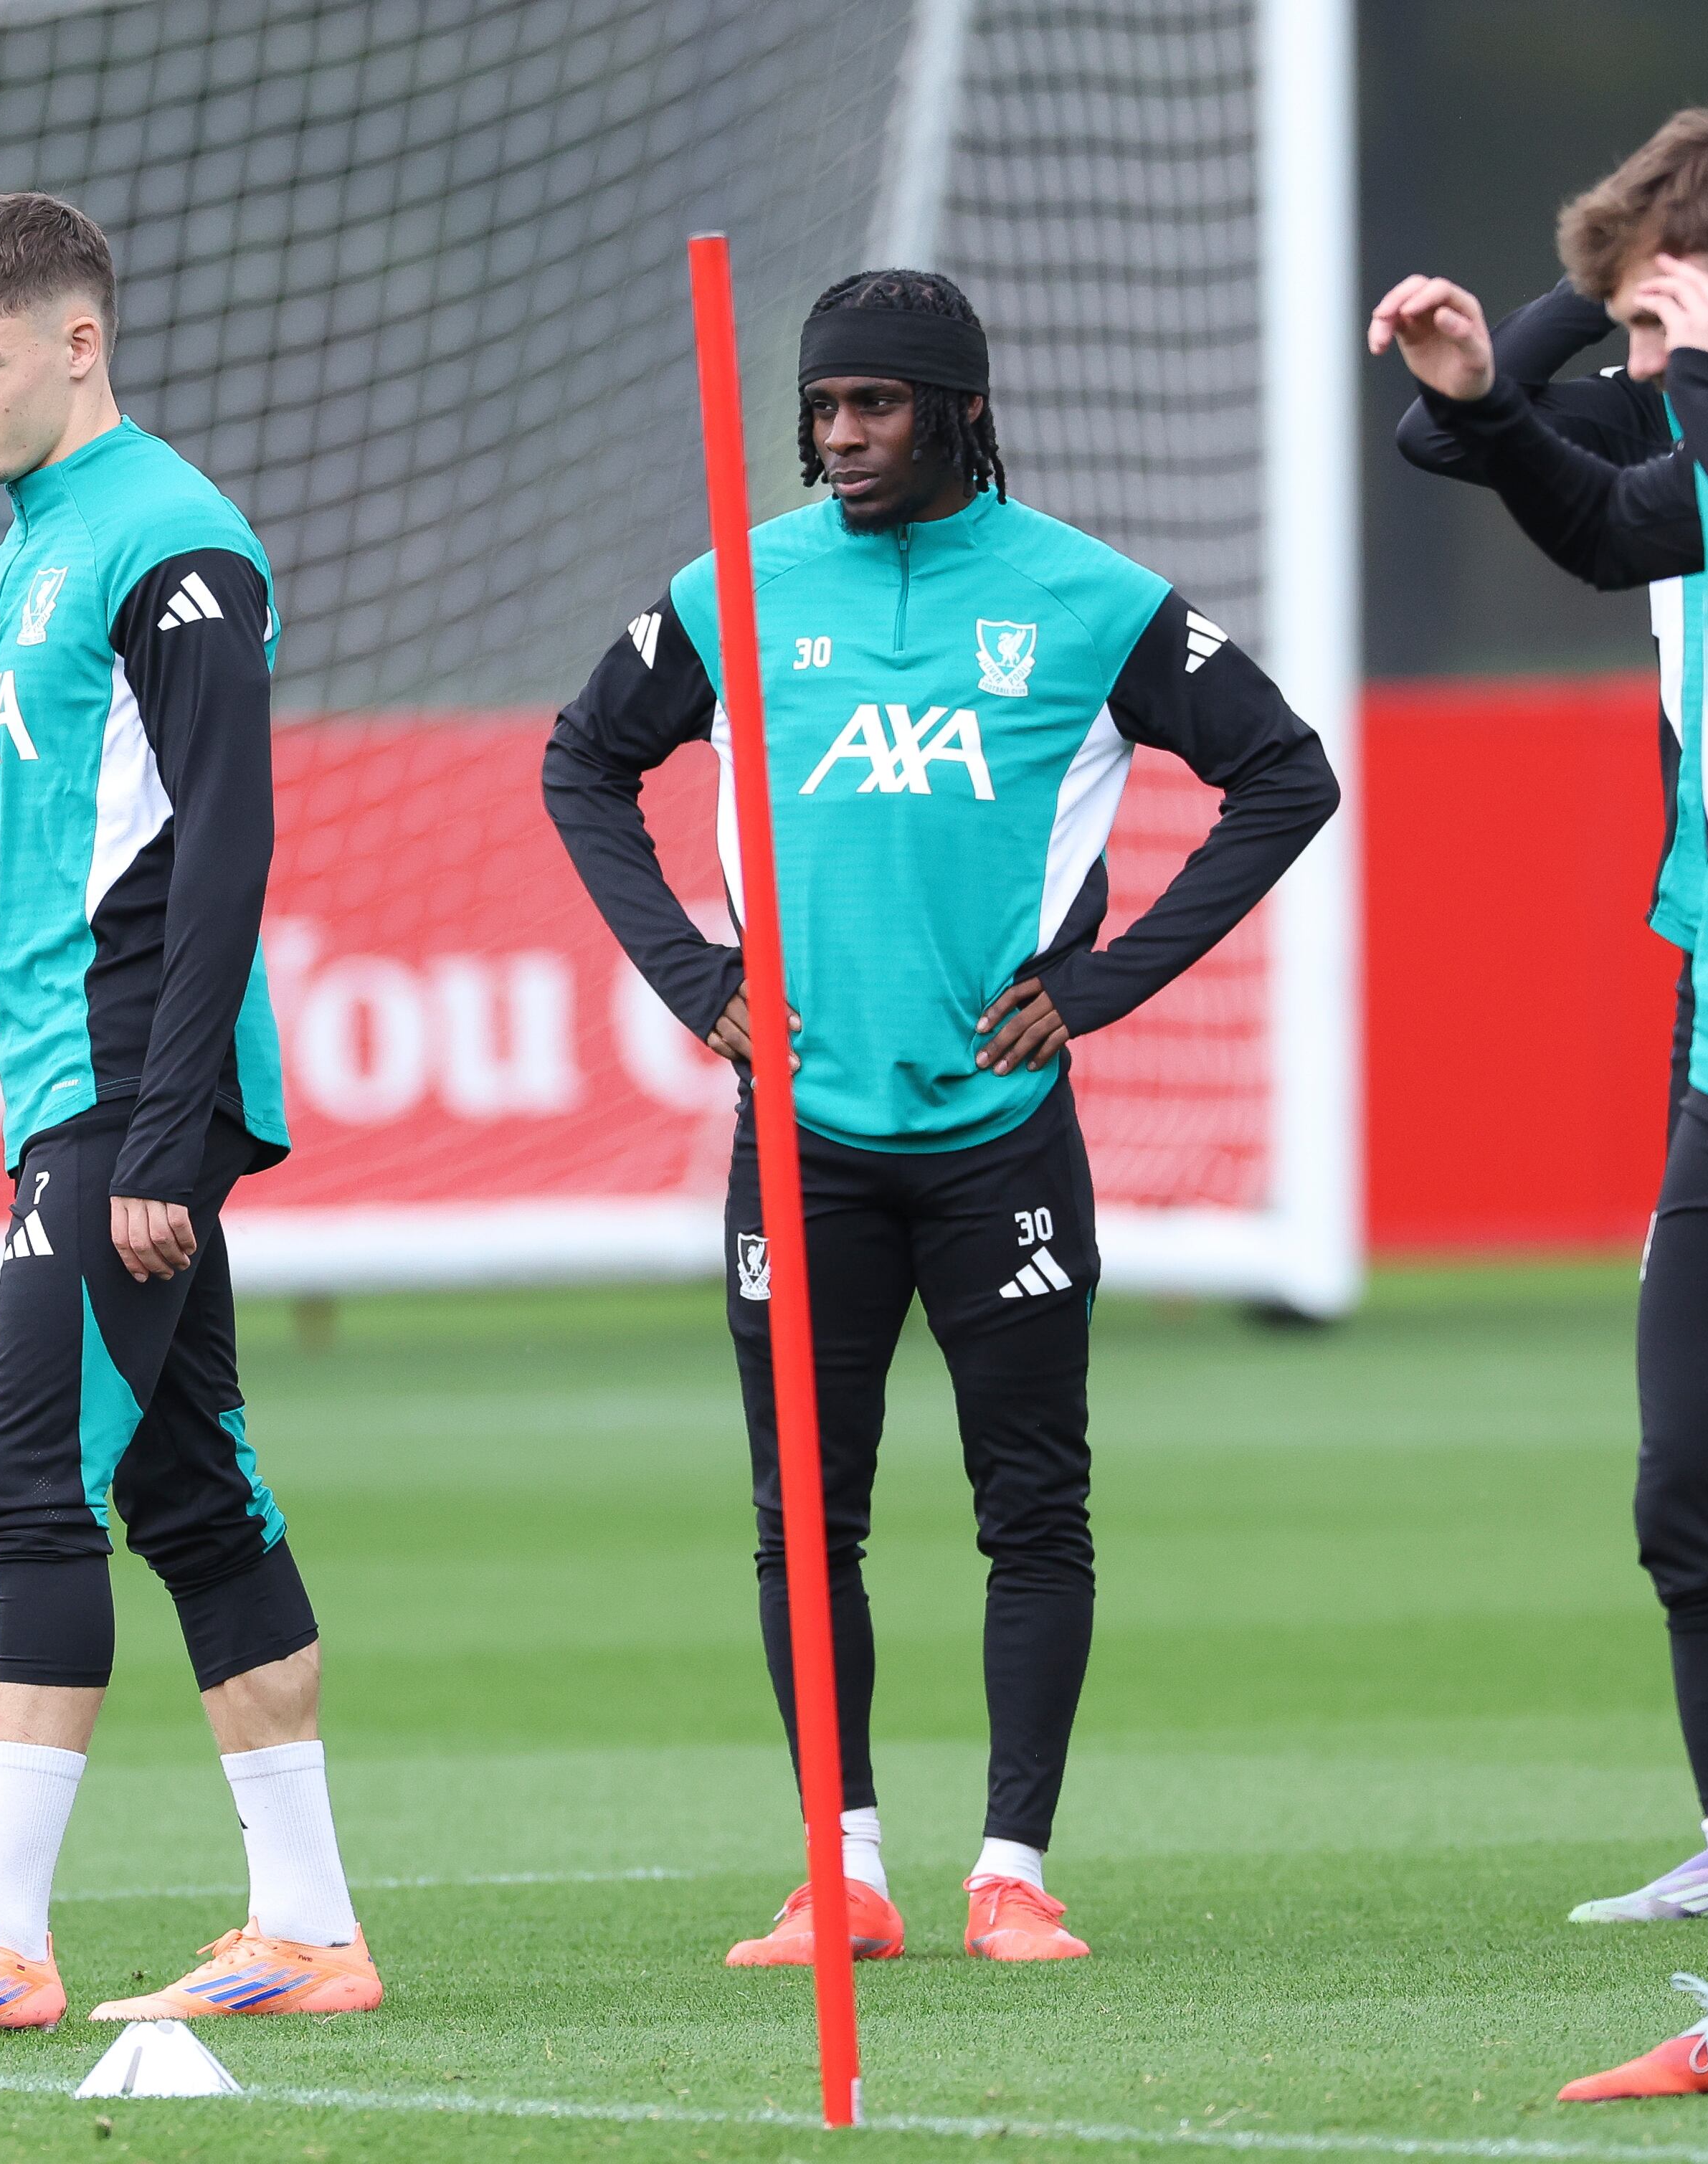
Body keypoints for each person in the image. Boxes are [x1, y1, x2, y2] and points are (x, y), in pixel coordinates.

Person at [544, 269, 1338, 1970]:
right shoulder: (733, 590)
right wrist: (697, 980)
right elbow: (580, 765)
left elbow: (1288, 773)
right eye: (824, 408)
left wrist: (1113, 983)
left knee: (1030, 1505)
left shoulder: (1090, 597)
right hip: (801, 1145)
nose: (842, 440)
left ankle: (1012, 1870)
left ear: (960, 415)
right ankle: (840, 1871)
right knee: (802, 1517)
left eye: (878, 407)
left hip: (1002, 1144)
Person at [0, 191, 378, 2038]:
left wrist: (167, 1130)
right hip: (71, 1086)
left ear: (78, 342)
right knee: (190, 1492)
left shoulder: (175, 546)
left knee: (27, 1477)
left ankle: (0, 1935)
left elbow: (228, 848)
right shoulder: (17, 563)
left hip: (139, 1085)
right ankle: (308, 1932)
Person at [1378, 98, 1708, 2100]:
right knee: (1698, 1513)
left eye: (1661, 312)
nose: (1642, 353)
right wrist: (1493, 408)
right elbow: (1603, 531)